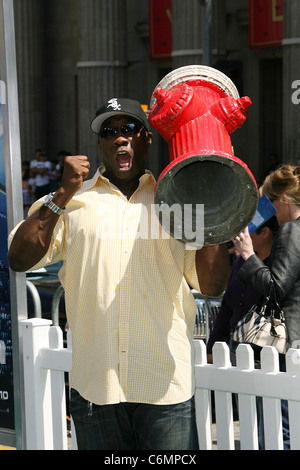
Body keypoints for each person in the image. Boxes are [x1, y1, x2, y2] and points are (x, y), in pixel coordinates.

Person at [7, 98, 229, 451]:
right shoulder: (71, 201)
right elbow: (18, 258)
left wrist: (208, 205)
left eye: (129, 129)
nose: (120, 138)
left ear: (147, 139)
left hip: (165, 387)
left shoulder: (174, 202)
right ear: (100, 144)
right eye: (109, 132)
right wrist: (62, 193)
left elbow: (213, 285)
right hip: (96, 387)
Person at [232, 164, 300, 450]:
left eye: (269, 203)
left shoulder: (290, 231)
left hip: (289, 345)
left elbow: (276, 287)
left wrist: (248, 256)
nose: (268, 211)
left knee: (279, 429)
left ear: (283, 201)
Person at [206, 216, 278, 364]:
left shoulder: (278, 264)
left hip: (266, 352)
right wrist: (211, 348)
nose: (241, 235)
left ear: (265, 232)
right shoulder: (241, 262)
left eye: (247, 231)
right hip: (236, 347)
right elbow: (227, 307)